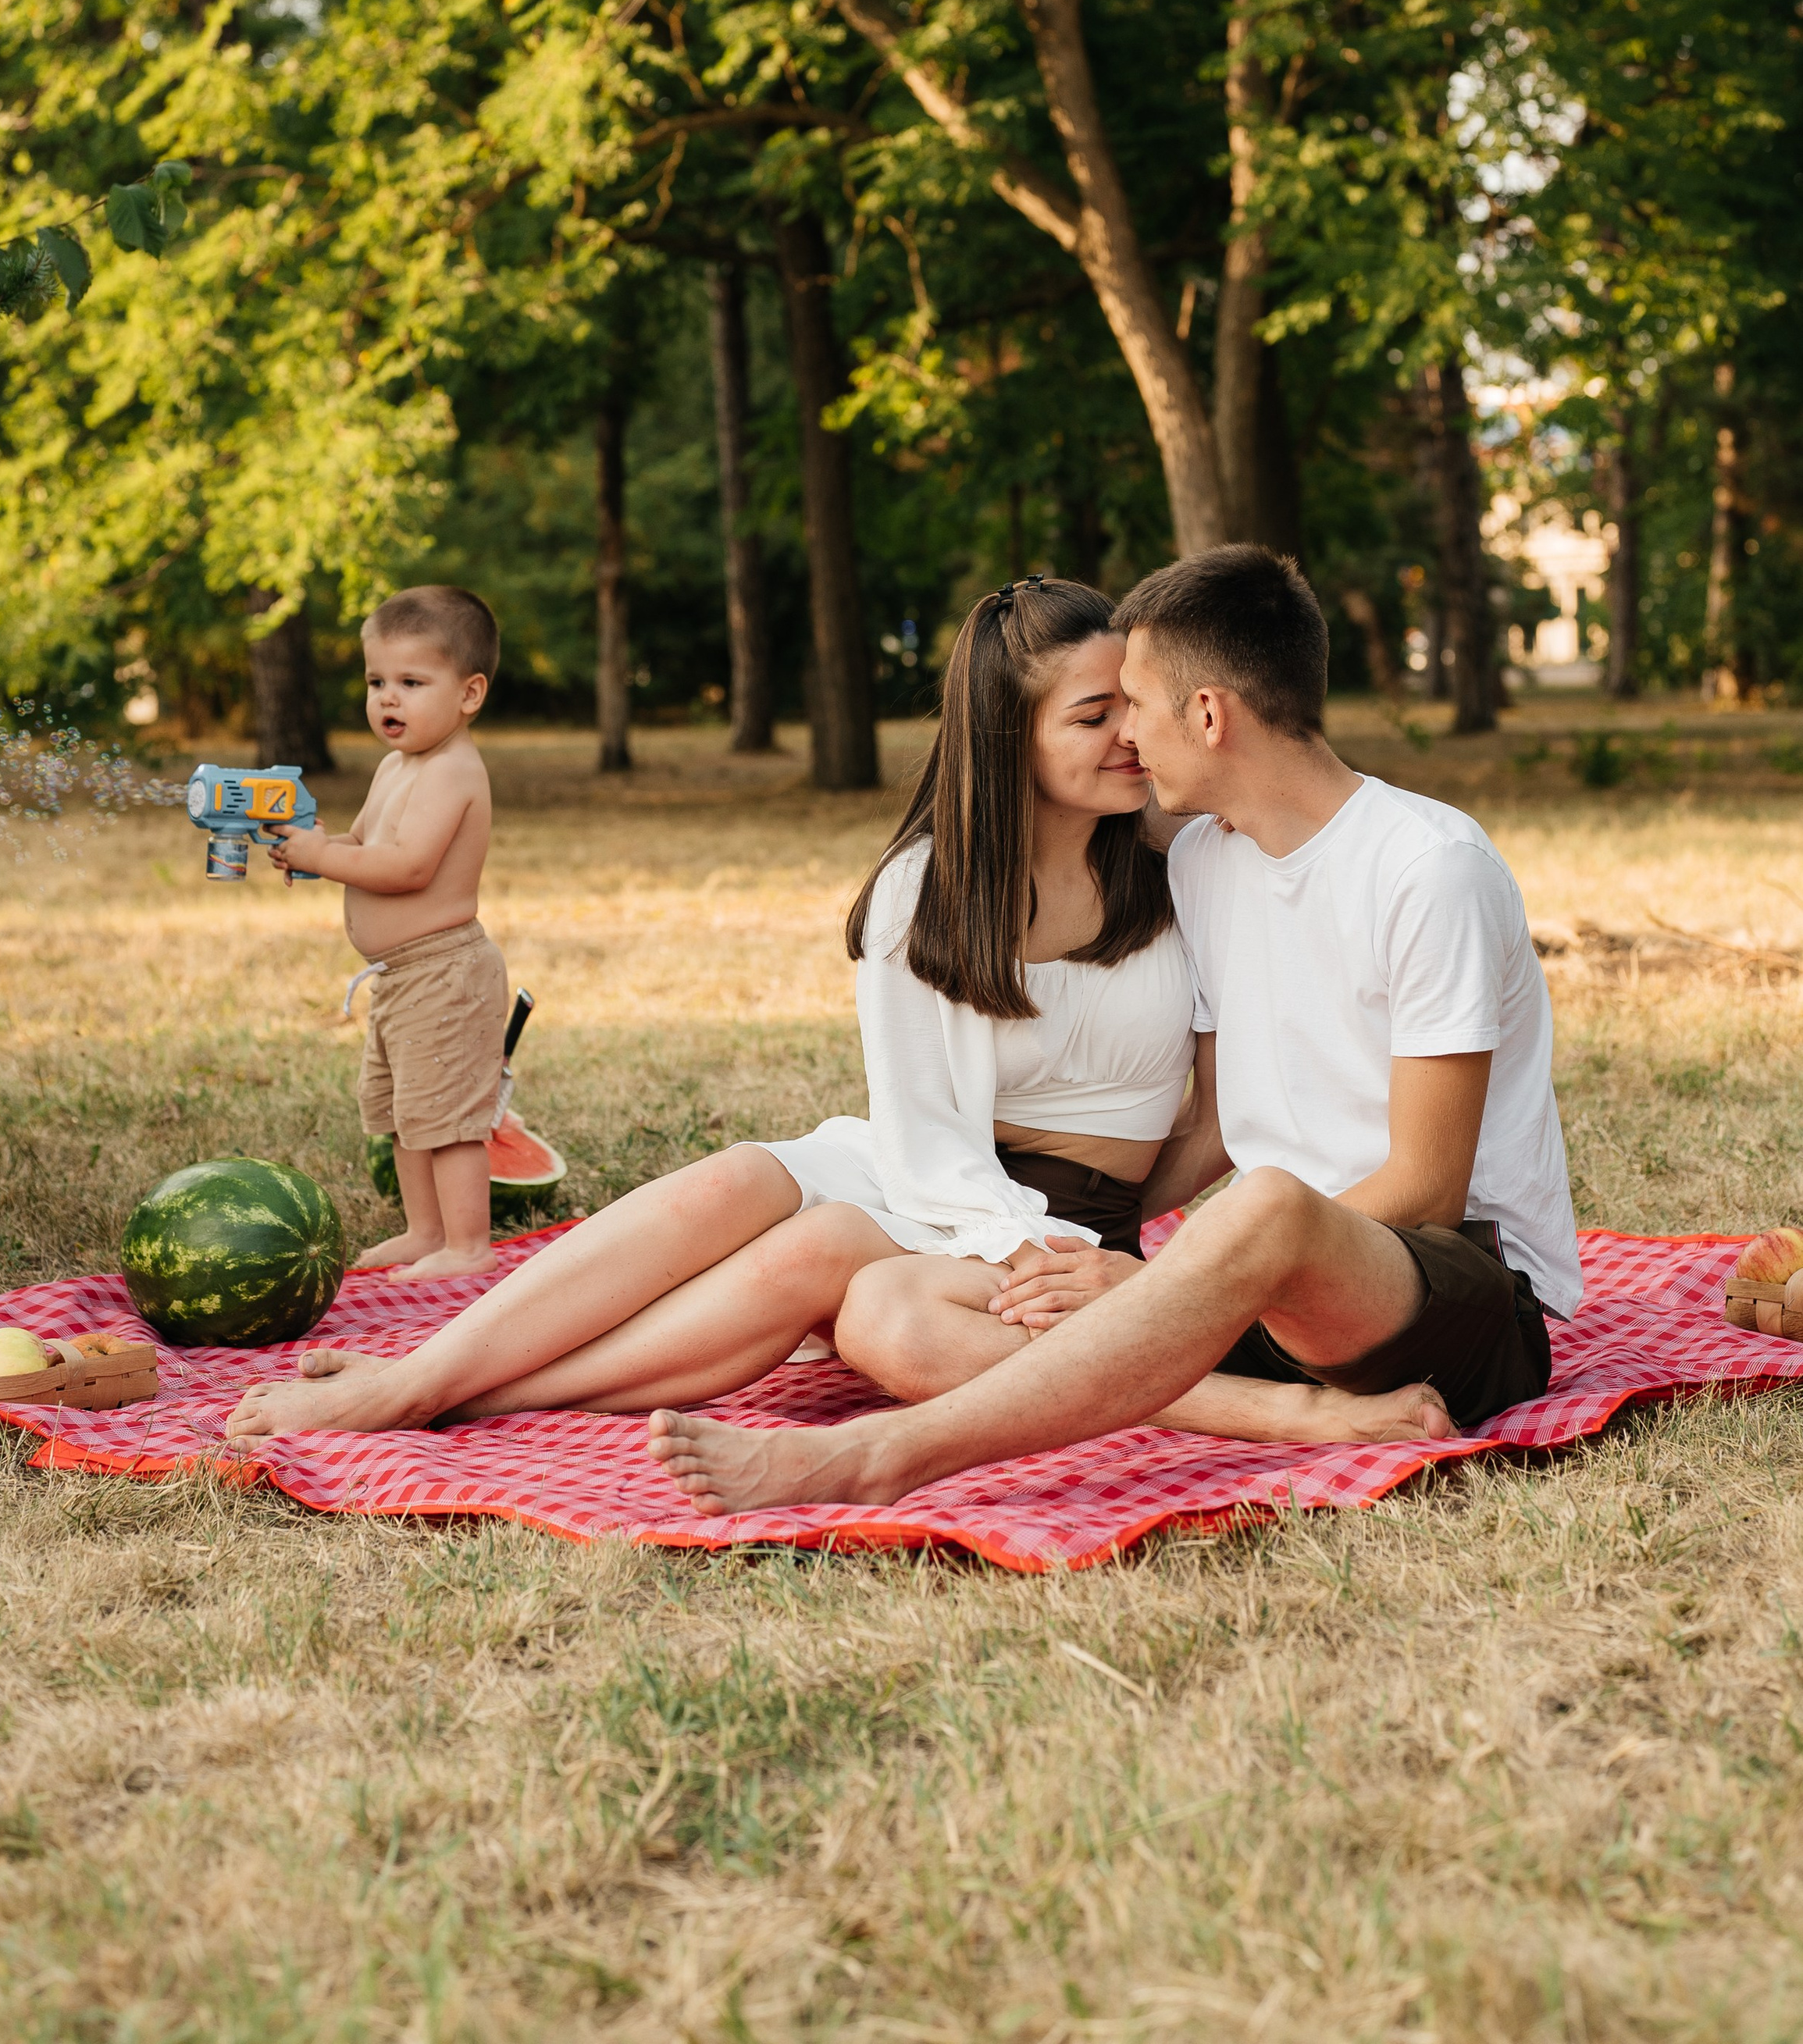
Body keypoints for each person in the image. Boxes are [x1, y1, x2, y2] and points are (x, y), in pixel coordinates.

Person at [224, 578, 1442, 1447]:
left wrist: (1102, 1251)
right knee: (732, 1184)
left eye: (1131, 705)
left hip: (1057, 1217)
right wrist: (1008, 1239)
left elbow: (1225, 1102)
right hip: (942, 1175)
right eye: (1093, 715)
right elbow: (921, 1134)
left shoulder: (1176, 858)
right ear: (1004, 736)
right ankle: (426, 1380)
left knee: (827, 1264)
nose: (1132, 733)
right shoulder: (926, 893)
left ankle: (438, 1396)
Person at [648, 545, 1581, 1514]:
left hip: (1444, 1282)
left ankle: (883, 1455)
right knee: (887, 1308)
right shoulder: (1208, 864)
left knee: (1268, 1205)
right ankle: (1275, 1408)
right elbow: (1221, 1114)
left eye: (1132, 701)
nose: (1125, 732)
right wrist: (1108, 1267)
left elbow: (1426, 1185)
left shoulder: (1428, 868)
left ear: (1208, 714)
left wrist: (1154, 1283)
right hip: (1261, 1294)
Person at [269, 584, 511, 1281]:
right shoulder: (394, 766)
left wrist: (325, 857)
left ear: (469, 694)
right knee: (408, 1112)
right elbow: (368, 841)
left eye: (411, 682)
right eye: (377, 682)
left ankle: (467, 1246)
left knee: (449, 1118)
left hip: (445, 971)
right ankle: (424, 1230)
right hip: (401, 977)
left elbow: (407, 868)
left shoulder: (454, 769)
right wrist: (315, 847)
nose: (388, 699)